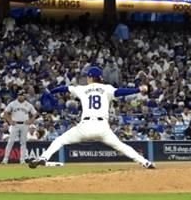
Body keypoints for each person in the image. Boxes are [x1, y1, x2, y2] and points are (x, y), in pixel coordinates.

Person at [27, 66, 155, 170]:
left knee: (60, 140)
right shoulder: (107, 89)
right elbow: (121, 91)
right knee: (122, 147)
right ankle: (145, 162)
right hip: (102, 128)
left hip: (85, 127)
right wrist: (139, 89)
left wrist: (51, 91)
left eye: (87, 76)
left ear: (90, 77)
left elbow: (64, 88)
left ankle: (44, 158)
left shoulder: (82, 89)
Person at [1, 91, 37, 164]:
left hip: (24, 124)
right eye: (19, 95)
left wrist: (31, 120)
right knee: (10, 141)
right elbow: (5, 113)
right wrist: (10, 121)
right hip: (15, 124)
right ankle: (5, 159)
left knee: (23, 142)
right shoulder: (13, 103)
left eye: (22, 95)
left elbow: (35, 113)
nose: (21, 96)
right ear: (17, 96)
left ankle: (22, 160)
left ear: (24, 96)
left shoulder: (28, 104)